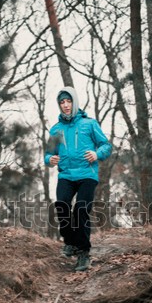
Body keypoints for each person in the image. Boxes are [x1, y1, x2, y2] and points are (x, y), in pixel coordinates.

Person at [44, 86, 112, 271]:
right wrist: (51, 159)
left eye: (68, 101)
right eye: (62, 102)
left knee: (81, 209)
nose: (66, 105)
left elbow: (106, 145)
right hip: (66, 174)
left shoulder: (89, 124)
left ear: (74, 102)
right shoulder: (56, 129)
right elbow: (47, 155)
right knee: (62, 205)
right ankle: (71, 242)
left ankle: (83, 253)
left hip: (87, 174)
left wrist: (97, 154)